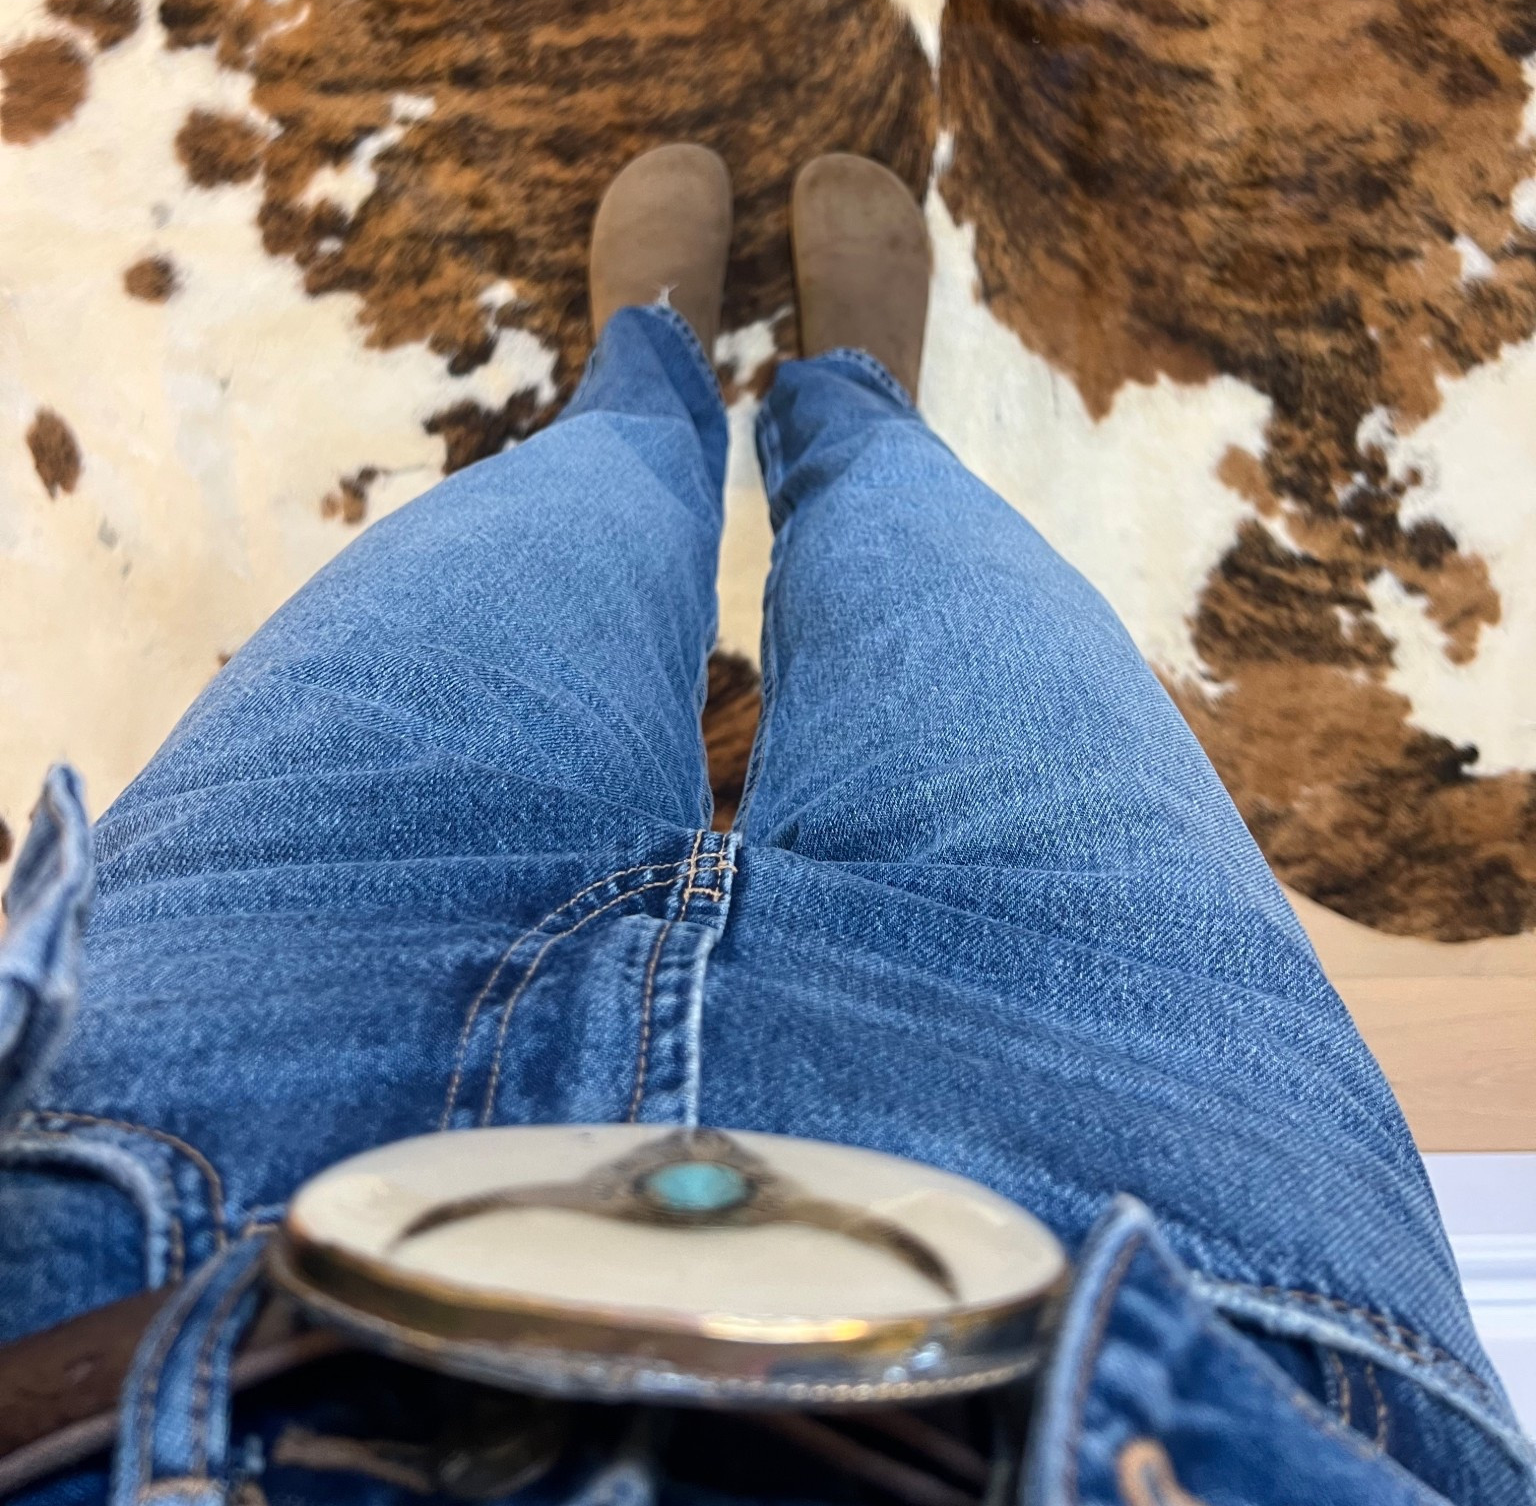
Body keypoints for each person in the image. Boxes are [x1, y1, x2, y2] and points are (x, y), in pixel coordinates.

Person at [0, 147, 1530, 1506]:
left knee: (570, 504)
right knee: (931, 546)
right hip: (1184, 1251)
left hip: (195, 1117)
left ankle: (645, 380)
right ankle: (851, 401)